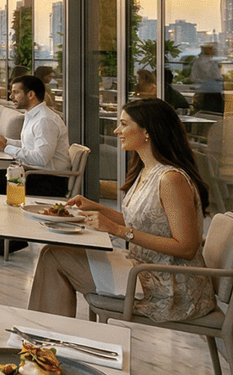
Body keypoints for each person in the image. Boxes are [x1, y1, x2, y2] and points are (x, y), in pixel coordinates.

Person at [28, 99, 215, 322]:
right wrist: (96, 207)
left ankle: (45, 335)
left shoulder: (171, 180)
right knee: (51, 252)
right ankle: (45, 334)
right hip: (141, 269)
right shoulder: (147, 170)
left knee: (55, 258)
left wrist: (117, 230)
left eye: (124, 124)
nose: (117, 131)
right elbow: (140, 223)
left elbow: (186, 247)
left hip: (170, 287)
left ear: (147, 131)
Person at [0, 74, 72, 196]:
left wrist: (6, 148)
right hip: (37, 174)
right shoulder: (33, 115)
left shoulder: (45, 120)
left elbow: (41, 158)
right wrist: (6, 141)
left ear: (31, 95)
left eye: (16, 92)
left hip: (51, 181)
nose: (11, 96)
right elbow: (30, 146)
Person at [192, 44, 224, 113]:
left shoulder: (199, 61)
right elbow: (216, 75)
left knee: (207, 111)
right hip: (211, 90)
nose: (213, 50)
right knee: (213, 111)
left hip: (206, 89)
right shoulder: (208, 61)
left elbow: (194, 77)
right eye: (211, 48)